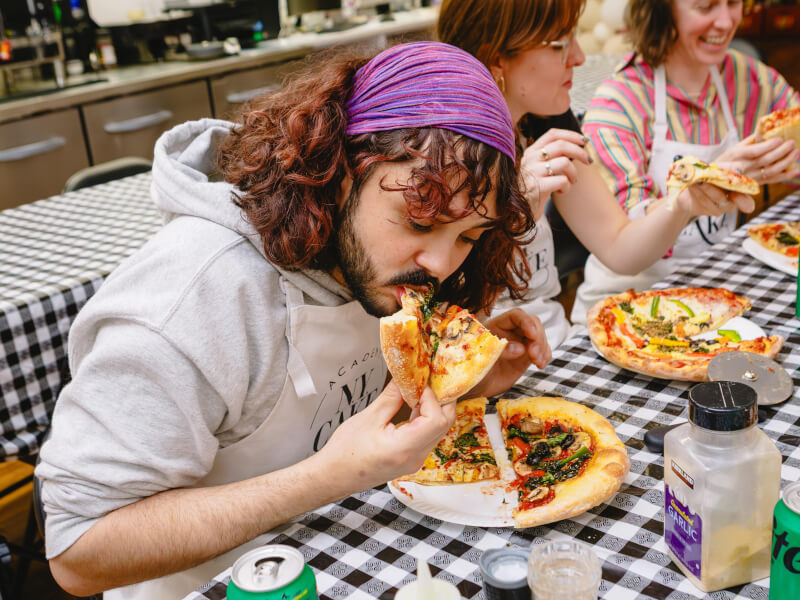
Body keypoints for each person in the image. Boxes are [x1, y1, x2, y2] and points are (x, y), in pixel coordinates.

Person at [35, 42, 551, 600]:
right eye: (421, 222)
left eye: (469, 237)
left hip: (345, 558)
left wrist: (452, 374)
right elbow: (78, 550)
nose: (443, 264)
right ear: (341, 170)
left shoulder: (365, 261)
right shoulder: (190, 299)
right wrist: (329, 477)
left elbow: (339, 403)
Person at [437, 0, 757, 348]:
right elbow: (441, 324)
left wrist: (682, 205)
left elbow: (620, 249)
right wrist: (510, 208)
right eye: (560, 44)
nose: (579, 56)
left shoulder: (543, 124)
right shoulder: (441, 156)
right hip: (485, 364)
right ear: (497, 56)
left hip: (551, 349)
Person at [571, 0, 800, 324]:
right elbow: (627, 242)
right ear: (662, 10)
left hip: (713, 299)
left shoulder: (751, 80)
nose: (725, 22)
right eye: (705, 7)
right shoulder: (617, 104)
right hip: (625, 307)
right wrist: (703, 187)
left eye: (734, 3)